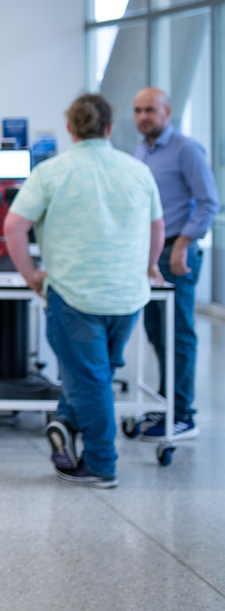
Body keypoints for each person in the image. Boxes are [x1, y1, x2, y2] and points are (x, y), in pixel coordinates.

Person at [4, 94, 163, 489]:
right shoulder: (138, 171)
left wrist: (30, 275)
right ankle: (65, 421)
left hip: (75, 296)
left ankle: (100, 464)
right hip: (126, 296)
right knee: (97, 374)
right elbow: (157, 227)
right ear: (109, 128)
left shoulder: (51, 172)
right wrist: (149, 267)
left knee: (89, 380)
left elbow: (13, 227)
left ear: (70, 129)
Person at [132, 87, 218, 442]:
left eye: (150, 110)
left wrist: (183, 243)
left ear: (168, 112)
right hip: (151, 255)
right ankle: (167, 402)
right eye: (138, 110)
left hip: (176, 253)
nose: (143, 117)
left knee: (179, 334)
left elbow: (209, 202)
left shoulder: (186, 150)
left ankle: (182, 414)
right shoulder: (142, 150)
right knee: (157, 331)